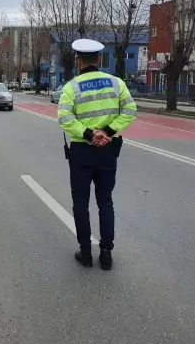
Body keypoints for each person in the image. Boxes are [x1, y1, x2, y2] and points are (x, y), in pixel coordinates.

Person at [57, 38, 137, 270]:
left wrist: (90, 134)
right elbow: (130, 110)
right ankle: (106, 254)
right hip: (108, 150)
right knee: (105, 202)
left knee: (81, 204)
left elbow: (65, 118)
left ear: (78, 61)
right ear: (100, 59)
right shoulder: (117, 83)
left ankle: (85, 253)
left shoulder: (71, 87)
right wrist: (108, 132)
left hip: (82, 151)